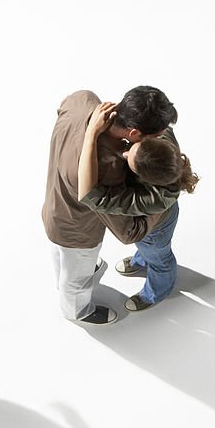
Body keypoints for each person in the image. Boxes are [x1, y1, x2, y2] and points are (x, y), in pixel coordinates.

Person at [42, 85, 179, 324]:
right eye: (155, 136)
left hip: (54, 206)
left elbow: (63, 107)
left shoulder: (82, 99)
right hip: (78, 231)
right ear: (134, 133)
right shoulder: (106, 168)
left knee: (62, 261)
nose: (160, 139)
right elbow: (127, 232)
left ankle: (65, 281)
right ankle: (77, 311)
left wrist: (91, 133)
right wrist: (163, 206)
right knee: (76, 279)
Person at [78, 101, 198, 311]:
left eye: (129, 160)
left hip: (157, 227)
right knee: (147, 249)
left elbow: (95, 198)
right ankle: (142, 261)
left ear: (145, 178)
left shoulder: (153, 199)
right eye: (131, 148)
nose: (124, 153)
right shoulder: (163, 140)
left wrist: (91, 135)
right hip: (159, 221)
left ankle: (157, 291)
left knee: (159, 257)